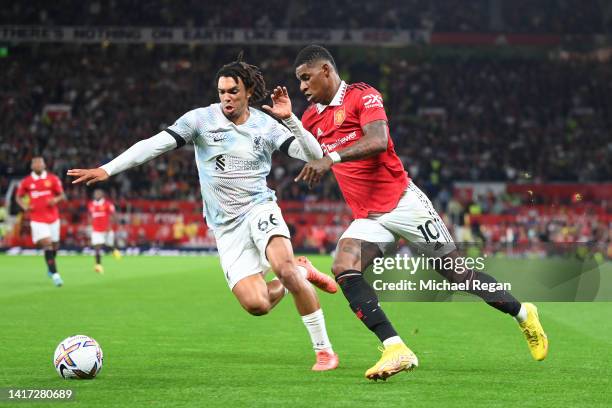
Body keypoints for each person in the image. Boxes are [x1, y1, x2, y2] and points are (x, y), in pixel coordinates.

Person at [292, 45, 548, 380]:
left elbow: (379, 140)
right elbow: (305, 151)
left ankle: (523, 313)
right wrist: (289, 120)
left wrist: (332, 159)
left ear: (326, 70)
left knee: (459, 275)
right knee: (344, 266)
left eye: (306, 78)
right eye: (299, 81)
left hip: (403, 203)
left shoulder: (362, 95)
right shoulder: (311, 116)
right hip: (368, 217)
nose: (302, 87)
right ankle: (396, 347)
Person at [68, 57, 340, 371]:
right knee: (257, 305)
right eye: (222, 91)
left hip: (260, 208)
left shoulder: (266, 125)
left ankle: (324, 351)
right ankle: (304, 270)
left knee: (285, 270)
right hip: (225, 227)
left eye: (233, 91)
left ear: (248, 91)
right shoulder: (200, 120)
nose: (226, 97)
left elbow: (316, 155)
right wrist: (107, 169)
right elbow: (154, 145)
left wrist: (291, 119)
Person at [16, 157, 66, 287]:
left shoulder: (53, 179)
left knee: (55, 245)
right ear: (31, 166)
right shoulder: (26, 181)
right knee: (47, 243)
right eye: (35, 163)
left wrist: (55, 200)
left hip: (53, 217)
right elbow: (18, 197)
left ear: (44, 165)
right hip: (37, 218)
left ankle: (50, 267)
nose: (38, 165)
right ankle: (55, 275)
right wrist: (24, 206)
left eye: (40, 163)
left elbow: (61, 195)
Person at [87, 189, 121, 274]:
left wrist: (110, 225)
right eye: (95, 193)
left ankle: (114, 250)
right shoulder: (91, 204)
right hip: (96, 230)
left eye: (98, 193)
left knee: (108, 245)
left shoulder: (107, 204)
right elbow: (90, 215)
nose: (96, 195)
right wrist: (90, 223)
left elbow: (114, 215)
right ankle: (98, 265)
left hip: (106, 229)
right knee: (97, 247)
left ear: (102, 195)